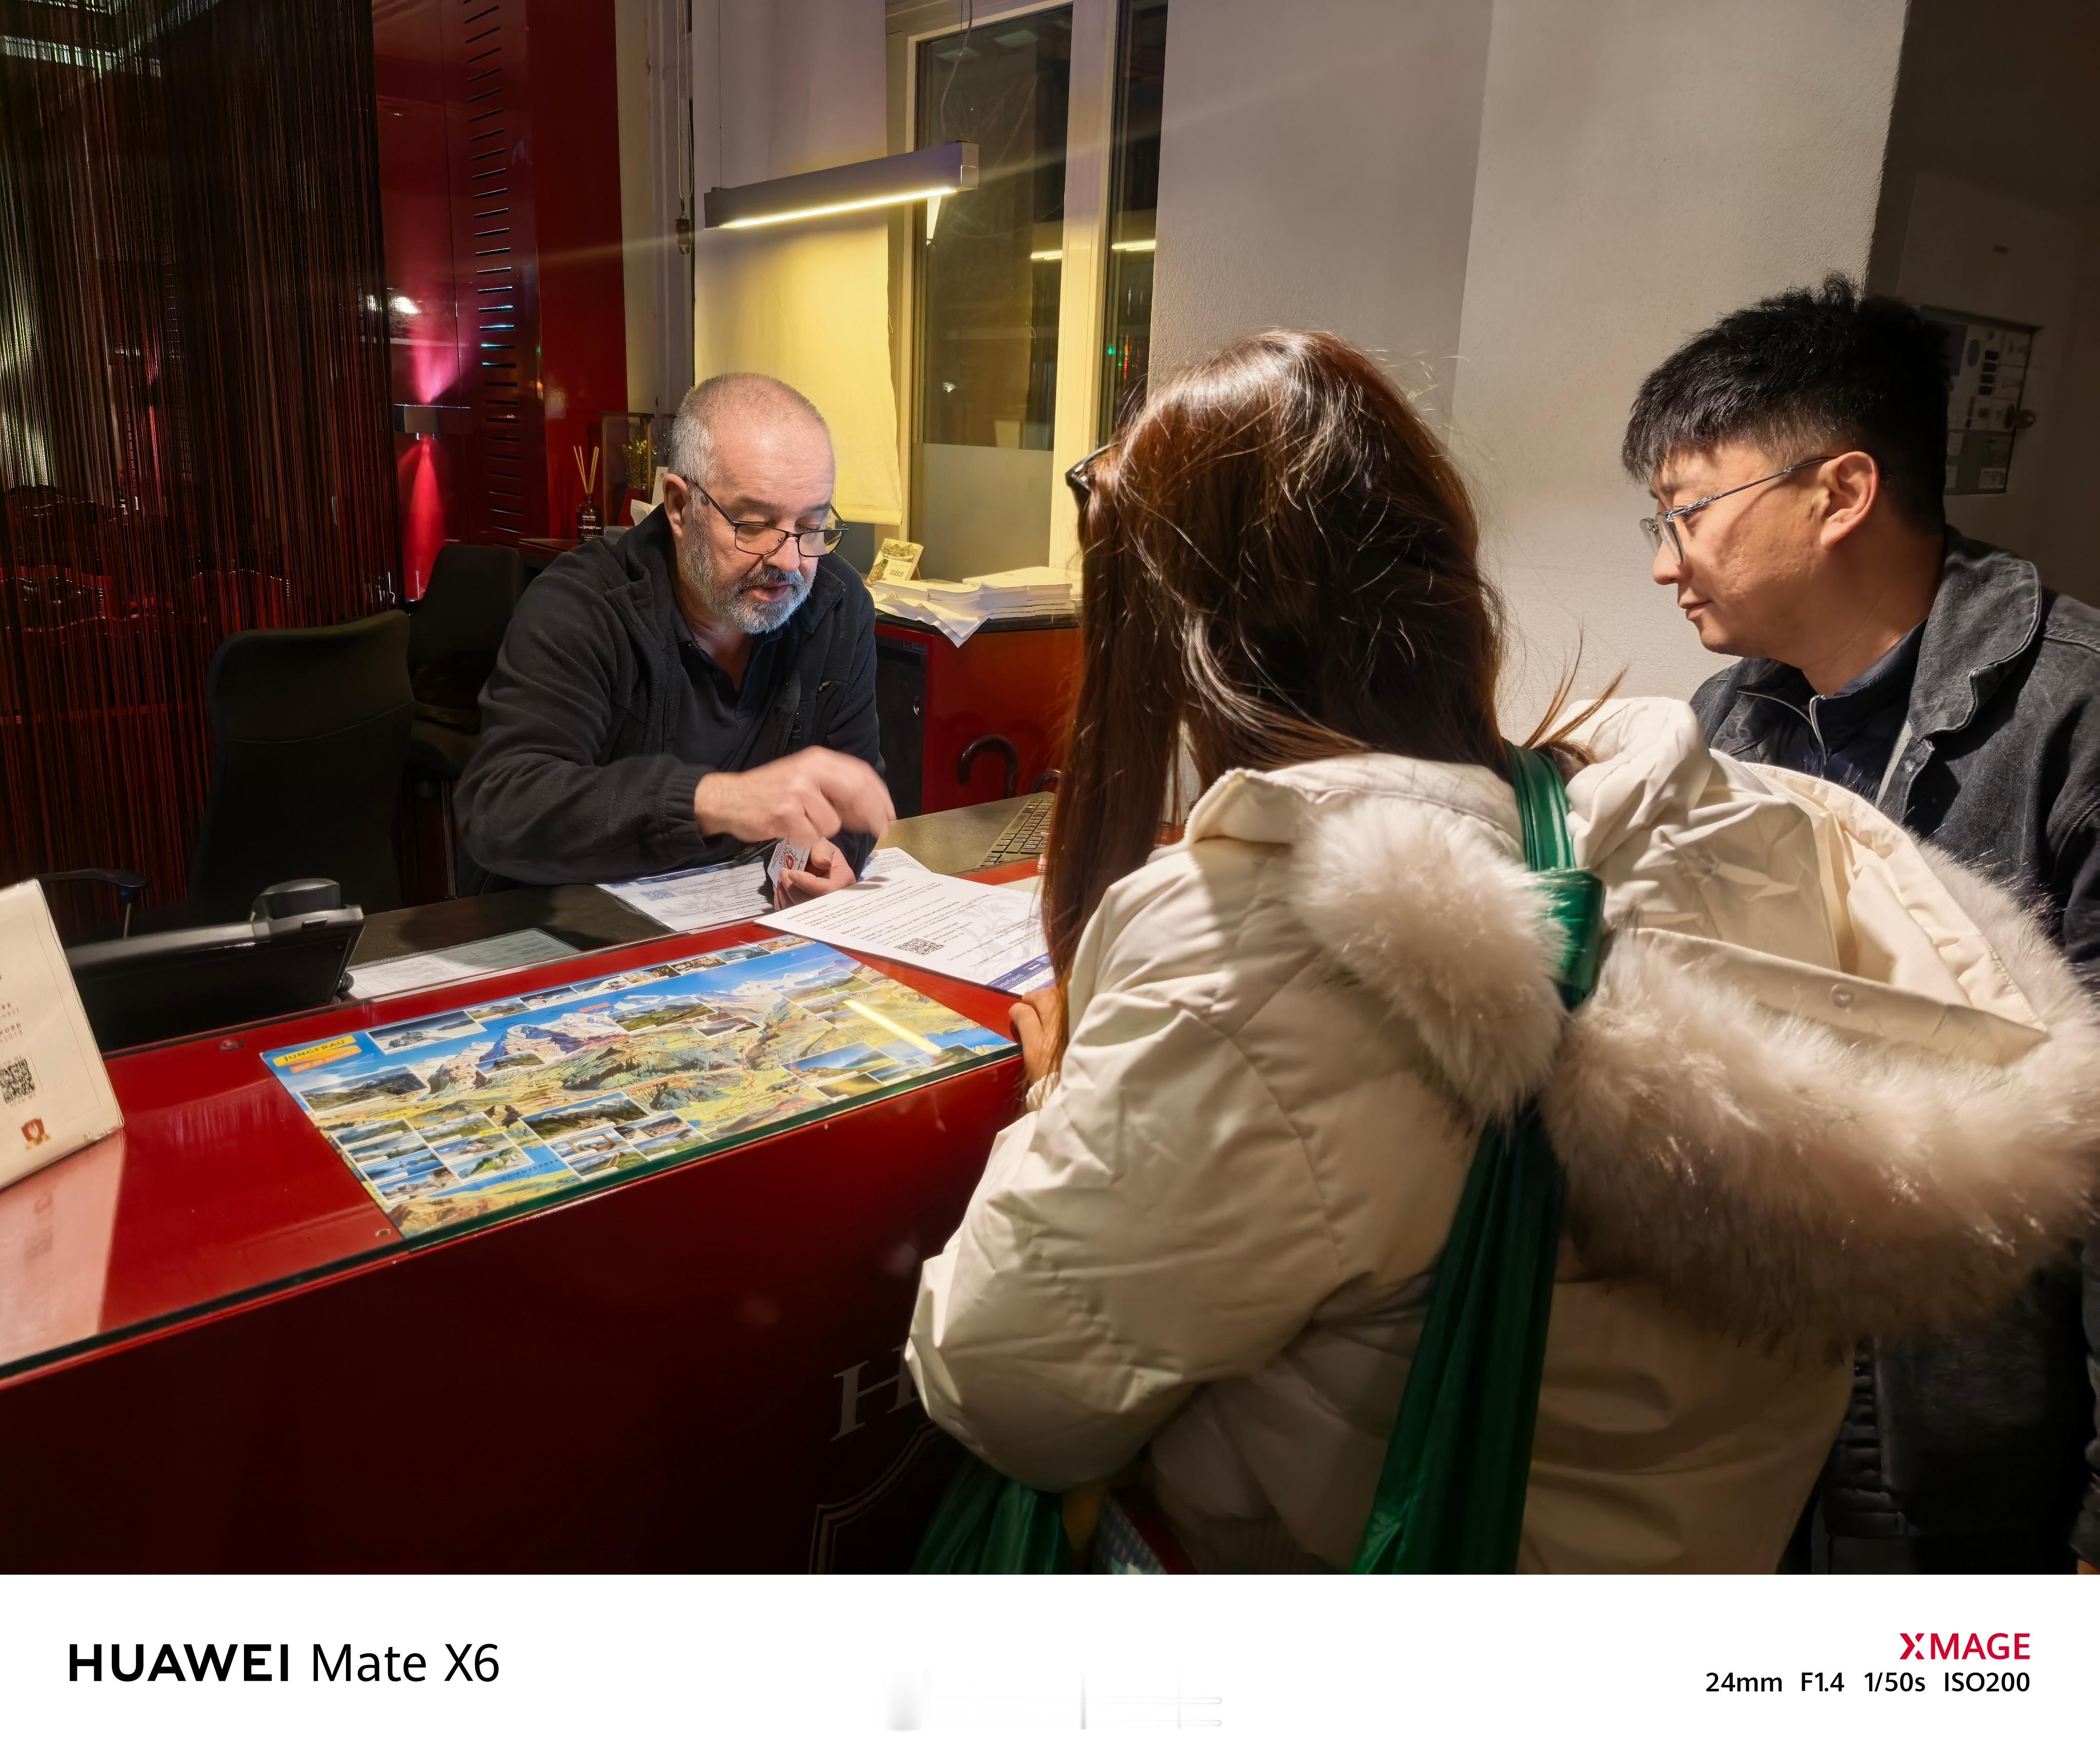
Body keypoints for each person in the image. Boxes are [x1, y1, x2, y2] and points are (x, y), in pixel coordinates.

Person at [901, 329, 2100, 1572]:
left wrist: (1053, 1098)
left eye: (1687, 513)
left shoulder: (1258, 945)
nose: (1661, 562)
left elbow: (1006, 1385)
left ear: (1175, 627)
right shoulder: (1731, 808)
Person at [1625, 276, 2100, 1575]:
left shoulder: (2072, 723)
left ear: (1838, 493)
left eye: (1687, 513)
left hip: (1965, 1435)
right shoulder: (1726, 720)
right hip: (1749, 1391)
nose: (1663, 562)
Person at [457, 373, 893, 895]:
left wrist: (834, 855)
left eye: (812, 525)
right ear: (680, 507)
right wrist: (719, 800)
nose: (789, 560)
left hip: (733, 919)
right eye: (754, 525)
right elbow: (502, 808)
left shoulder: (836, 604)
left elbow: (853, 794)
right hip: (566, 921)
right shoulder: (583, 604)